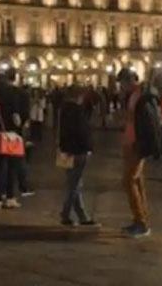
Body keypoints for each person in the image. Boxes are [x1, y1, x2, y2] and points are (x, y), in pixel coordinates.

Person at [119, 68, 160, 238]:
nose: (121, 87)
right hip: (131, 143)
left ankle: (141, 223)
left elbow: (151, 124)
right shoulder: (134, 96)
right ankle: (141, 218)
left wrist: (144, 145)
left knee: (129, 181)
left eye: (122, 83)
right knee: (137, 181)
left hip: (137, 145)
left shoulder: (143, 98)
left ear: (129, 82)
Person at [58, 88, 98, 227]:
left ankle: (82, 216)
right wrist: (89, 147)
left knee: (74, 182)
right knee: (74, 185)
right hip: (78, 151)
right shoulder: (77, 111)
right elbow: (83, 132)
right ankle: (65, 213)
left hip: (66, 151)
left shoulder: (63, 110)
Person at [0, 69, 25, 209]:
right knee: (11, 167)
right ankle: (10, 197)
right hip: (9, 134)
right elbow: (16, 117)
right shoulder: (12, 93)